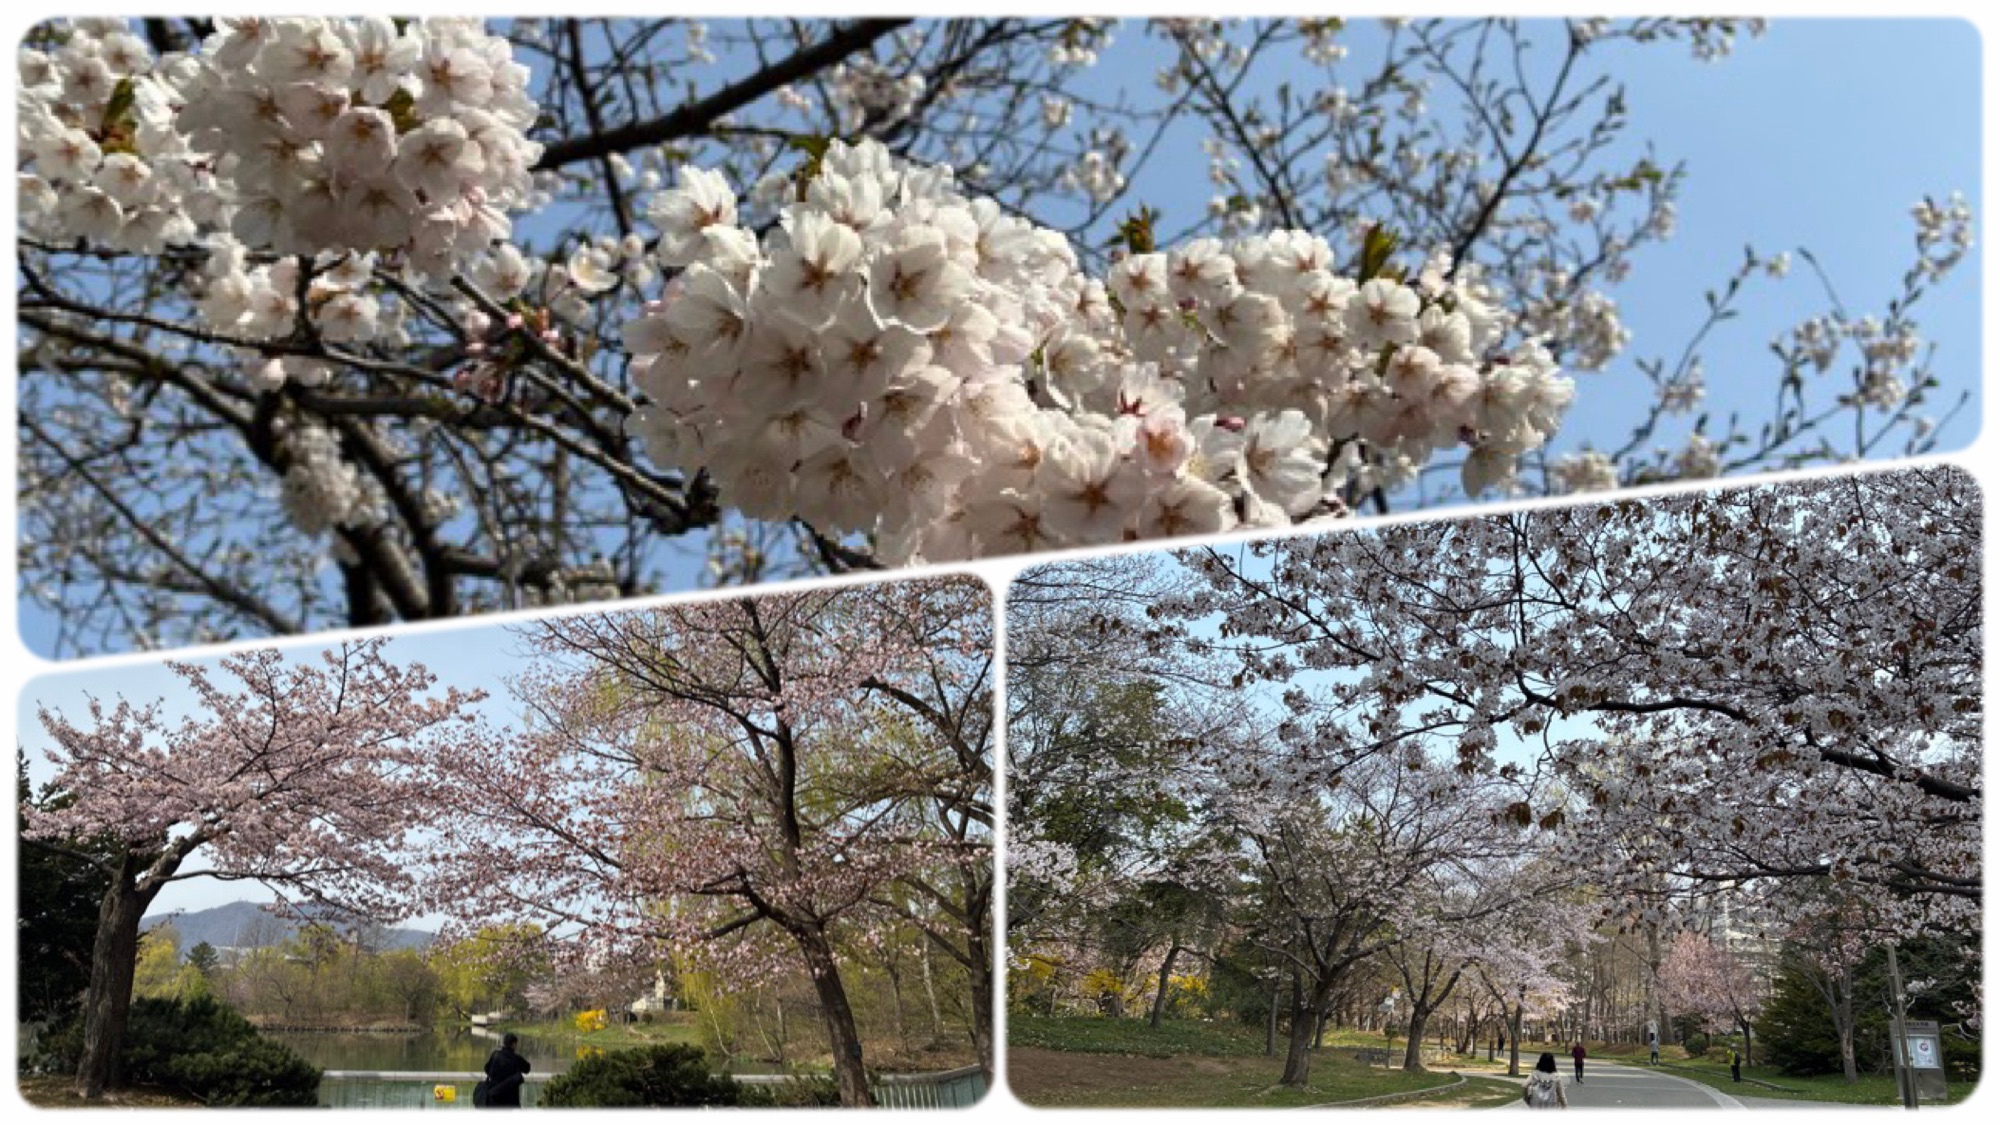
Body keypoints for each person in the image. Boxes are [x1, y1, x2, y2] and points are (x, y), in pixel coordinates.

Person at [482, 1032, 532, 1109]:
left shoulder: (495, 1055)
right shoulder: (516, 1058)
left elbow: (486, 1069)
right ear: (513, 1044)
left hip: (494, 1097)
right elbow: (527, 1069)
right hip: (510, 1100)